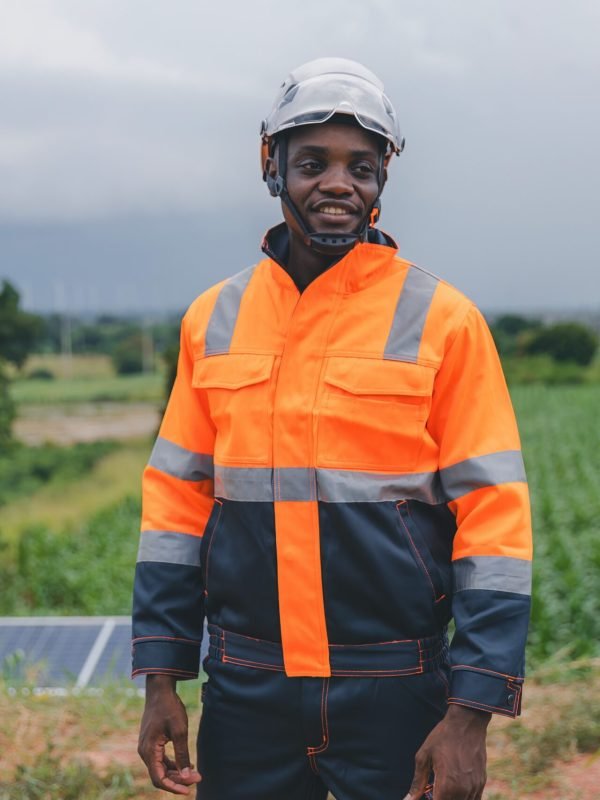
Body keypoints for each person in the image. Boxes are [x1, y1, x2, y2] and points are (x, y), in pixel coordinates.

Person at [133, 57, 532, 799]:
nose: (339, 184)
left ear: (384, 178)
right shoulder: (213, 320)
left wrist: (471, 711)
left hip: (396, 686)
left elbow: (494, 522)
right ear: (271, 165)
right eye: (313, 163)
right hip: (246, 687)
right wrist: (162, 677)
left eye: (362, 167)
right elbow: (176, 507)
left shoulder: (445, 322)